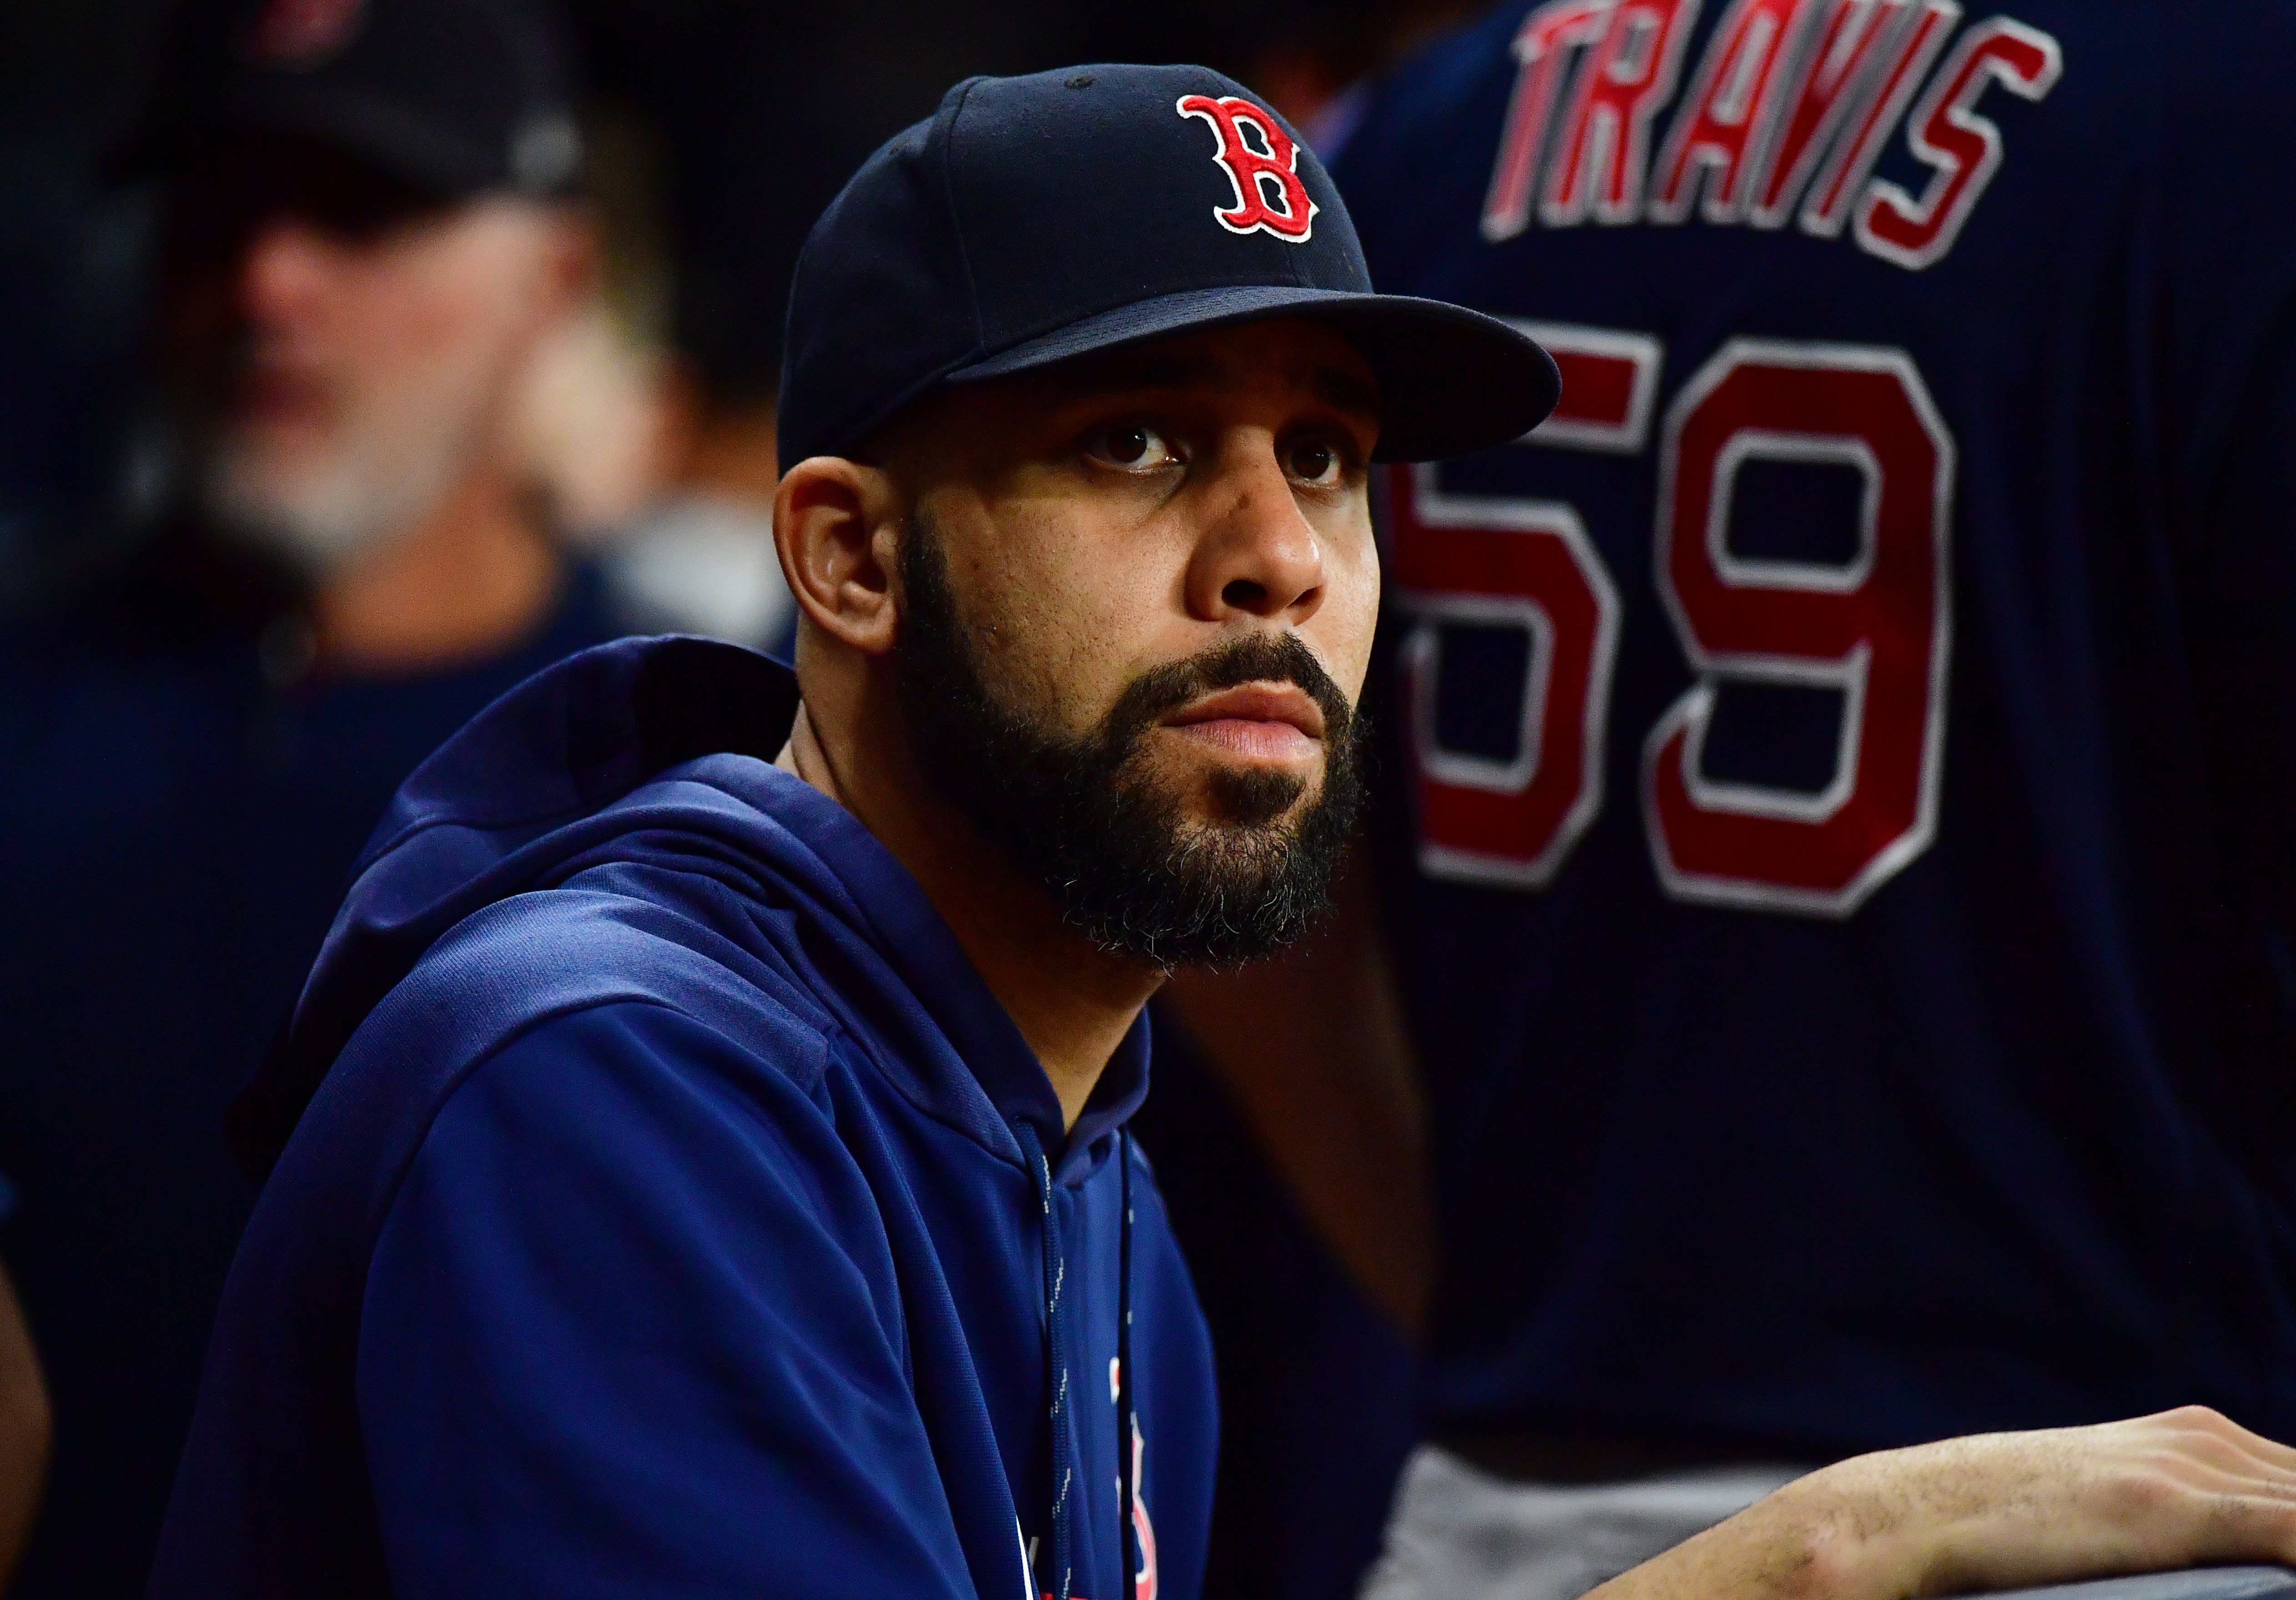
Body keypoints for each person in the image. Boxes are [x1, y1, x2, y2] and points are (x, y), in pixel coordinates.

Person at [149, 58, 2296, 1600]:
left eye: (1331, 457)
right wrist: (1803, 1560)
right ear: (848, 560)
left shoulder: (1077, 1158)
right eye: (1140, 440)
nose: (1276, 553)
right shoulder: (615, 1085)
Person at [1161, 3, 2296, 1596]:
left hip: (1514, 1502)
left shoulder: (1435, 126)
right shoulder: (2233, 103)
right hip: (2134, 1511)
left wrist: (1484, 1292)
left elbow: (1222, 852)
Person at [0, 0, 619, 1590]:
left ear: (555, 273)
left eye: (361, 207)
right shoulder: (27, 710)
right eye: (220, 207)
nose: (270, 284)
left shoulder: (692, 759)